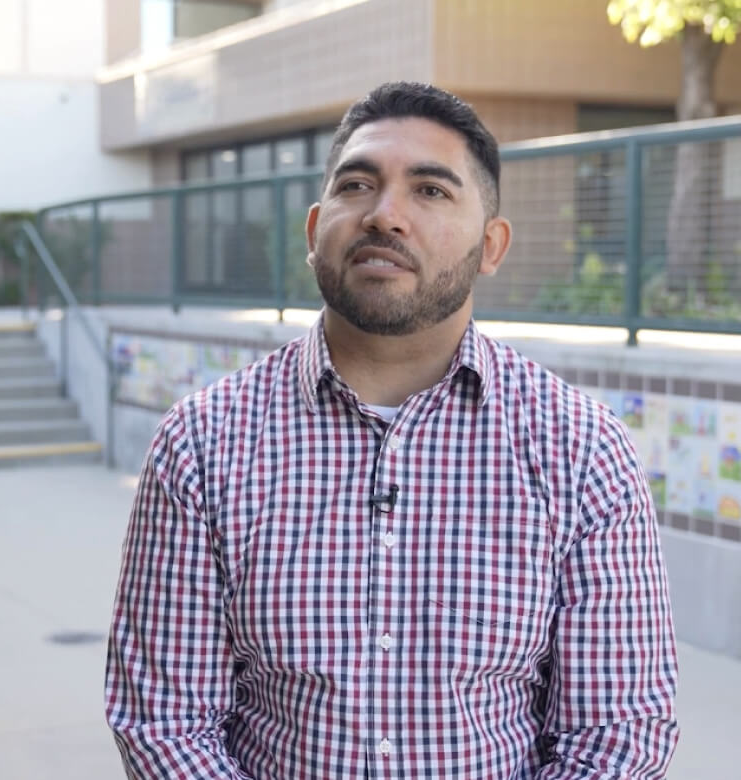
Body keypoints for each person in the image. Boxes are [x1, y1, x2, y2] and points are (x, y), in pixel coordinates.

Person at [105, 81, 679, 779]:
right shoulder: (203, 443)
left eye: (431, 191)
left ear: (491, 246)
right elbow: (166, 724)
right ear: (316, 229)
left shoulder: (580, 451)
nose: (386, 216)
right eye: (358, 184)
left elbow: (618, 737)